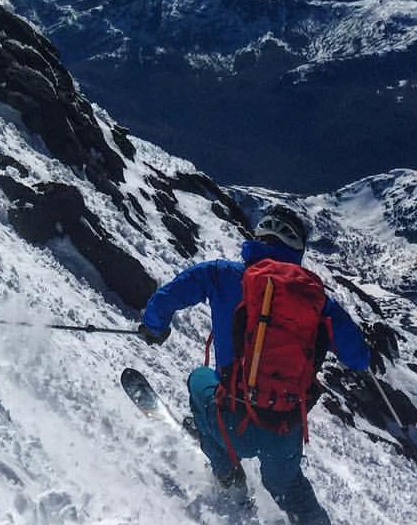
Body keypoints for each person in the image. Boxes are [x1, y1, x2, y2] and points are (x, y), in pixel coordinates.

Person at [138, 205, 370, 525]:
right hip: (284, 426)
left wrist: (153, 327)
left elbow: (167, 298)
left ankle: (228, 475)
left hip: (231, 419)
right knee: (289, 486)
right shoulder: (318, 302)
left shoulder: (220, 274)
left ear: (259, 236)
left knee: (199, 378)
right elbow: (358, 358)